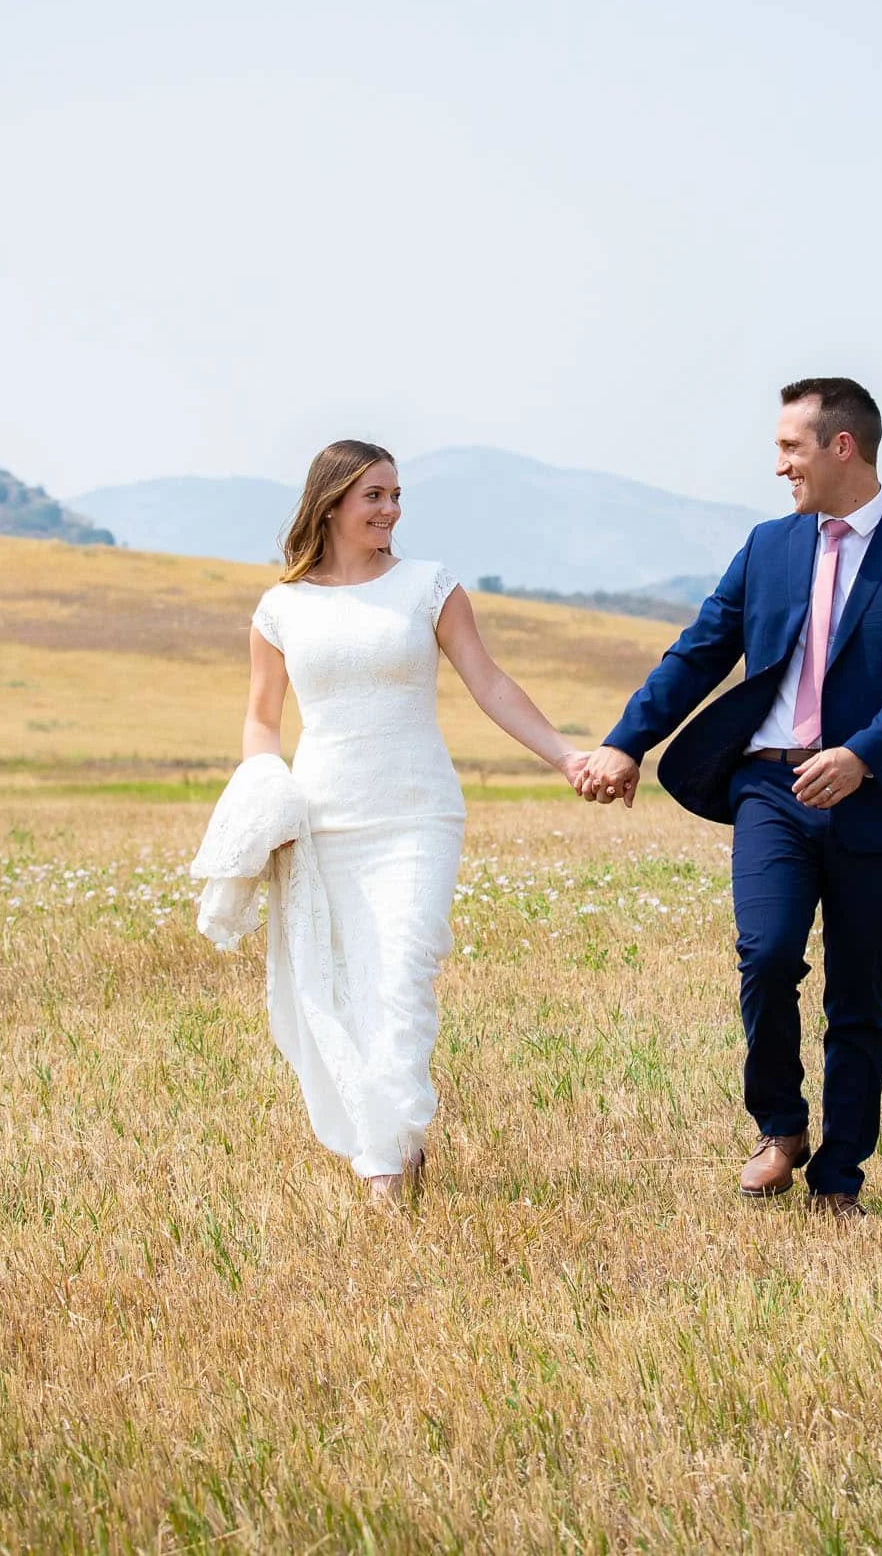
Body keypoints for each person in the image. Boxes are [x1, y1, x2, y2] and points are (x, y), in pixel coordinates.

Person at [578, 379, 882, 1216]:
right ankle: (780, 1127)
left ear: (841, 446)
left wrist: (862, 757)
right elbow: (698, 651)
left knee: (859, 994)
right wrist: (625, 740)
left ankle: (840, 1177)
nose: (777, 465)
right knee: (764, 957)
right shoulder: (766, 547)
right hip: (768, 786)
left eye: (789, 447)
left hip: (875, 797)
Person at [221, 440, 591, 1206]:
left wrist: (563, 755)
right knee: (344, 988)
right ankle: (387, 1143)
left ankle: (385, 1164)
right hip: (320, 822)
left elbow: (487, 681)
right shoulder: (280, 608)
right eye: (374, 496)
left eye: (395, 495)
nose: (390, 510)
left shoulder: (429, 587)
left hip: (416, 814)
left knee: (402, 975)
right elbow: (261, 721)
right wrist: (267, 796)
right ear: (330, 505)